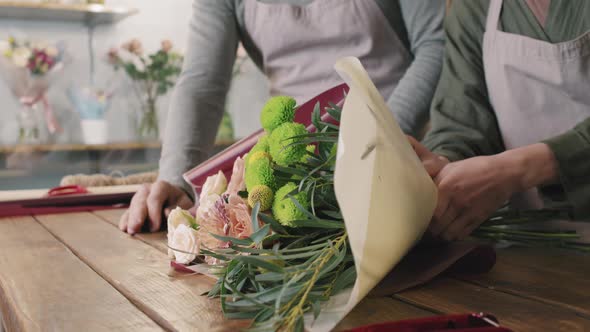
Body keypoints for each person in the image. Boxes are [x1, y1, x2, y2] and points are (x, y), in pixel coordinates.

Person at [119, 0, 446, 234]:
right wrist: (176, 179)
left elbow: (435, 46)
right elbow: (203, 84)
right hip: (288, 171)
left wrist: (376, 146)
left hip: (394, 161)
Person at [412, 0, 590, 242]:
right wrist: (442, 166)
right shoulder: (474, 7)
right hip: (535, 251)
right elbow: (463, 121)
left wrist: (517, 170)